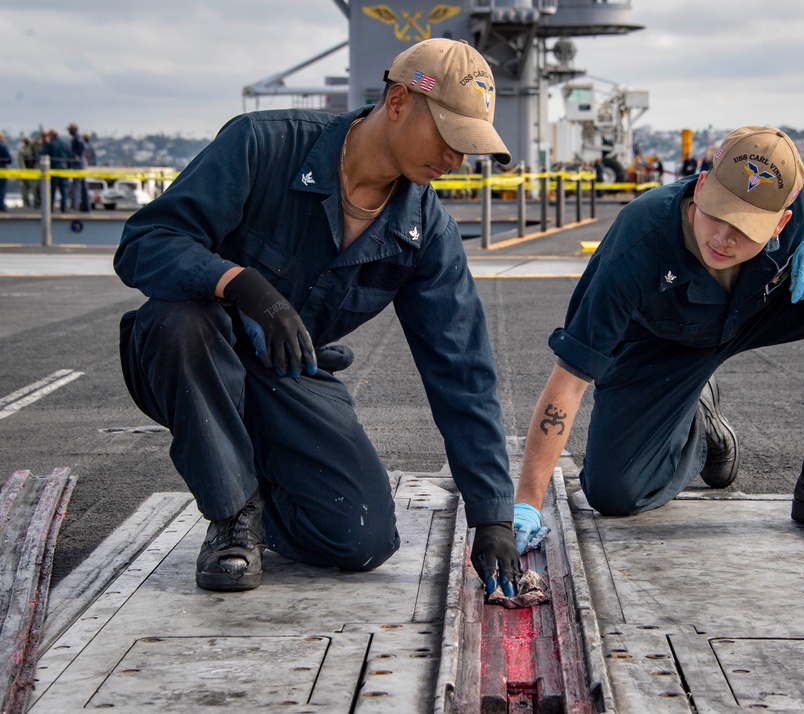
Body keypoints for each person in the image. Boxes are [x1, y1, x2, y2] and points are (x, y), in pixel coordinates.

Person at [114, 38, 521, 595]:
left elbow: (463, 374)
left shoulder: (426, 233)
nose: (456, 160)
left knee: (361, 539)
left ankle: (255, 489)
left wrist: (492, 514)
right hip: (188, 354)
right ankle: (233, 517)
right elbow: (145, 242)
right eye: (450, 137)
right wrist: (242, 285)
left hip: (285, 373)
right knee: (181, 323)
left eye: (468, 147)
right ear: (398, 100)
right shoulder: (261, 145)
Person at [510, 126, 804, 554]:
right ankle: (698, 419)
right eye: (717, 214)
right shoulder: (638, 239)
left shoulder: (800, 202)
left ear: (782, 222)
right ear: (703, 184)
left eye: (745, 228)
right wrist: (528, 503)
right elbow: (570, 379)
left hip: (756, 310)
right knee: (613, 493)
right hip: (660, 344)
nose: (722, 239)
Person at [40, 128, 73, 212]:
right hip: (64, 169)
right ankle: (64, 207)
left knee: (52, 189)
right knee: (64, 189)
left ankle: (50, 207)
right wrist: (68, 167)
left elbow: (43, 154)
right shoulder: (66, 144)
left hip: (53, 168)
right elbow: (70, 156)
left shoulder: (50, 144)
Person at [67, 122, 91, 212]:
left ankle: (75, 205)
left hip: (78, 164)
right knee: (83, 185)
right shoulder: (78, 137)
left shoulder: (77, 138)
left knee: (77, 185)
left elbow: (83, 147)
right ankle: (86, 205)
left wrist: (77, 155)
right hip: (81, 164)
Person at [18, 136, 39, 209]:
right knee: (26, 189)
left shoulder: (33, 149)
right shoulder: (23, 150)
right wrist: (24, 170)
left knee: (33, 188)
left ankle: (35, 202)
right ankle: (26, 202)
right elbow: (21, 161)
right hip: (27, 171)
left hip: (32, 171)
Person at [0, 132, 11, 211]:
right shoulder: (3, 147)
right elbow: (9, 159)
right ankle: (1, 205)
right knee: (2, 188)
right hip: (2, 169)